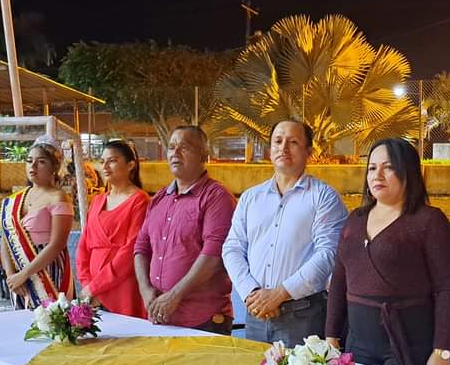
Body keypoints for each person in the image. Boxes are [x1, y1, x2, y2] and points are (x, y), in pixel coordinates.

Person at [325, 138, 450, 365]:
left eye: (388, 167)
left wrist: (442, 352)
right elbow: (339, 280)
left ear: (408, 172)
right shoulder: (355, 219)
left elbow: (448, 288)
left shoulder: (429, 221)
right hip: (358, 344)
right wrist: (331, 336)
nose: (377, 175)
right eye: (372, 168)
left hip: (407, 345)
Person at [222, 119, 347, 346]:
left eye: (293, 142)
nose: (283, 148)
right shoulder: (251, 198)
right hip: (256, 313)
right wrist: (251, 293)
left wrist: (280, 294)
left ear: (309, 151)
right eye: (278, 141)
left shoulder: (323, 197)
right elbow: (232, 248)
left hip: (302, 315)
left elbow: (328, 253)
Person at [134, 125, 236, 333]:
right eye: (172, 147)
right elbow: (141, 248)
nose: (175, 153)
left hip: (203, 319)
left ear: (203, 155)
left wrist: (174, 296)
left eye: (184, 147)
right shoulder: (159, 199)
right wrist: (145, 290)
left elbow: (214, 255)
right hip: (160, 316)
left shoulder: (217, 197)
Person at [76, 140, 150, 318]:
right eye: (103, 161)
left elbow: (130, 251)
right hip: (92, 290)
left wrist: (95, 287)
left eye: (112, 161)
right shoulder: (97, 200)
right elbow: (84, 246)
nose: (105, 167)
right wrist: (87, 284)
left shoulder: (140, 200)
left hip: (122, 286)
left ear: (131, 165)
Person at [0, 136, 75, 307]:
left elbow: (57, 244)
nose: (32, 166)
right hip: (18, 274)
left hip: (47, 272)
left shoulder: (58, 198)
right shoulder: (15, 199)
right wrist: (11, 276)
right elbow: (6, 240)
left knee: (50, 318)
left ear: (54, 167)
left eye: (41, 162)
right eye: (29, 161)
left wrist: (24, 274)